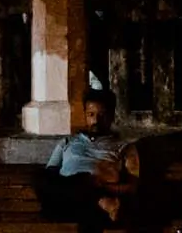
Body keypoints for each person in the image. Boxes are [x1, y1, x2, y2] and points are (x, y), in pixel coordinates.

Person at [41, 86, 135, 227]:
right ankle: (99, 199)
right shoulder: (67, 142)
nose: (96, 120)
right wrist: (87, 186)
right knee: (39, 176)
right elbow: (49, 177)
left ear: (111, 116)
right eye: (91, 114)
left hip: (94, 208)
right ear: (85, 115)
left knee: (88, 210)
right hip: (66, 201)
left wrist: (101, 186)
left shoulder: (125, 148)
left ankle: (94, 196)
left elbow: (132, 187)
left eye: (102, 115)